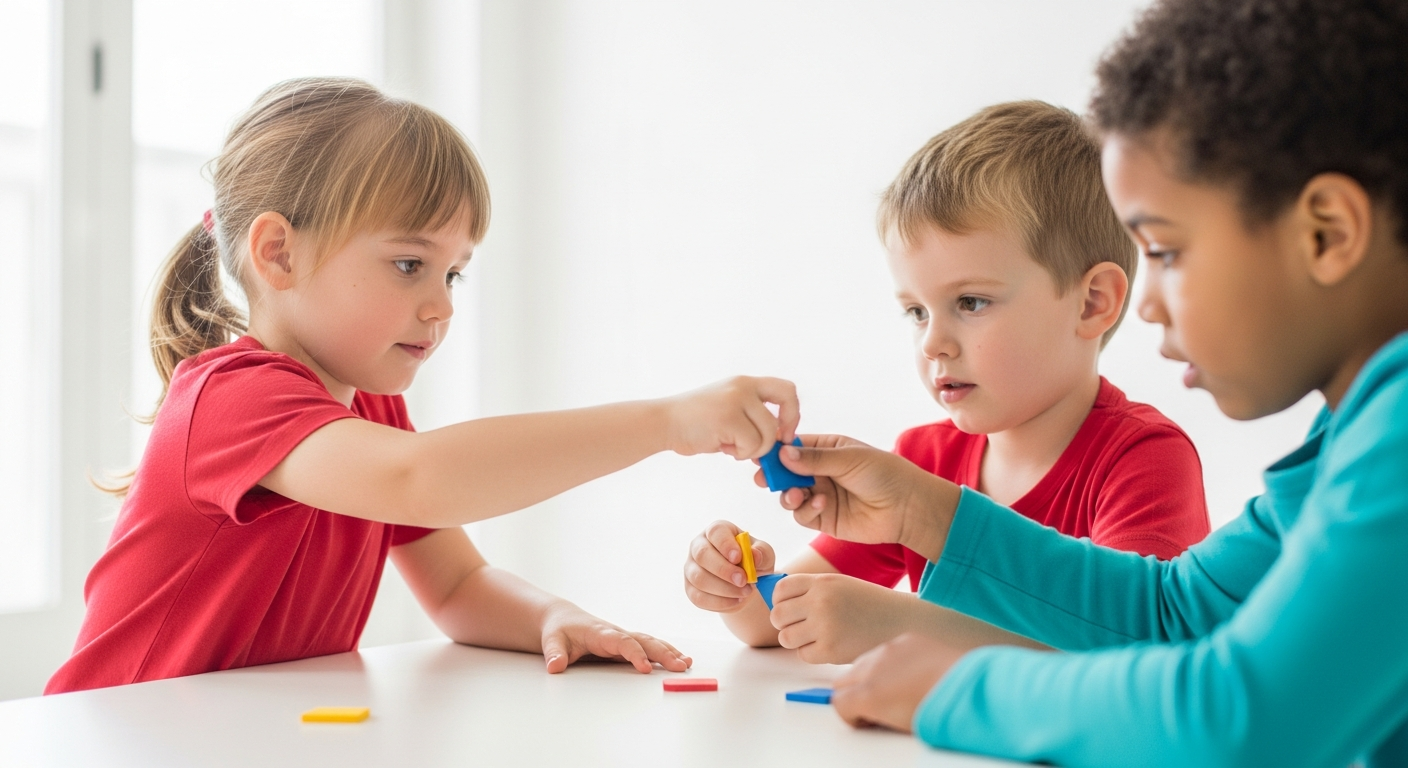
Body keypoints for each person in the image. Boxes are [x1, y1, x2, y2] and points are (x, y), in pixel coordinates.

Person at [773, 1, 1408, 764]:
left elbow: (1239, 718)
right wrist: (917, 508)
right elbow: (1176, 612)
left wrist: (960, 687)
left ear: (1327, 234)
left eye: (1166, 252)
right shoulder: (1356, 430)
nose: (1145, 302)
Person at [46, 78, 800, 694]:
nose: (440, 304)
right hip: (116, 735)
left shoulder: (371, 410)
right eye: (409, 264)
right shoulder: (231, 399)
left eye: (453, 272)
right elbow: (422, 481)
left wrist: (552, 616)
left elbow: (457, 585)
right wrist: (665, 421)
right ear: (277, 254)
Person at [682, 101, 1209, 664]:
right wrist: (739, 586)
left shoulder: (1144, 460)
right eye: (916, 311)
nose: (933, 342)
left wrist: (901, 627)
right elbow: (776, 622)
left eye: (970, 302)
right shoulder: (922, 461)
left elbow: (1138, 657)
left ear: (1091, 303)